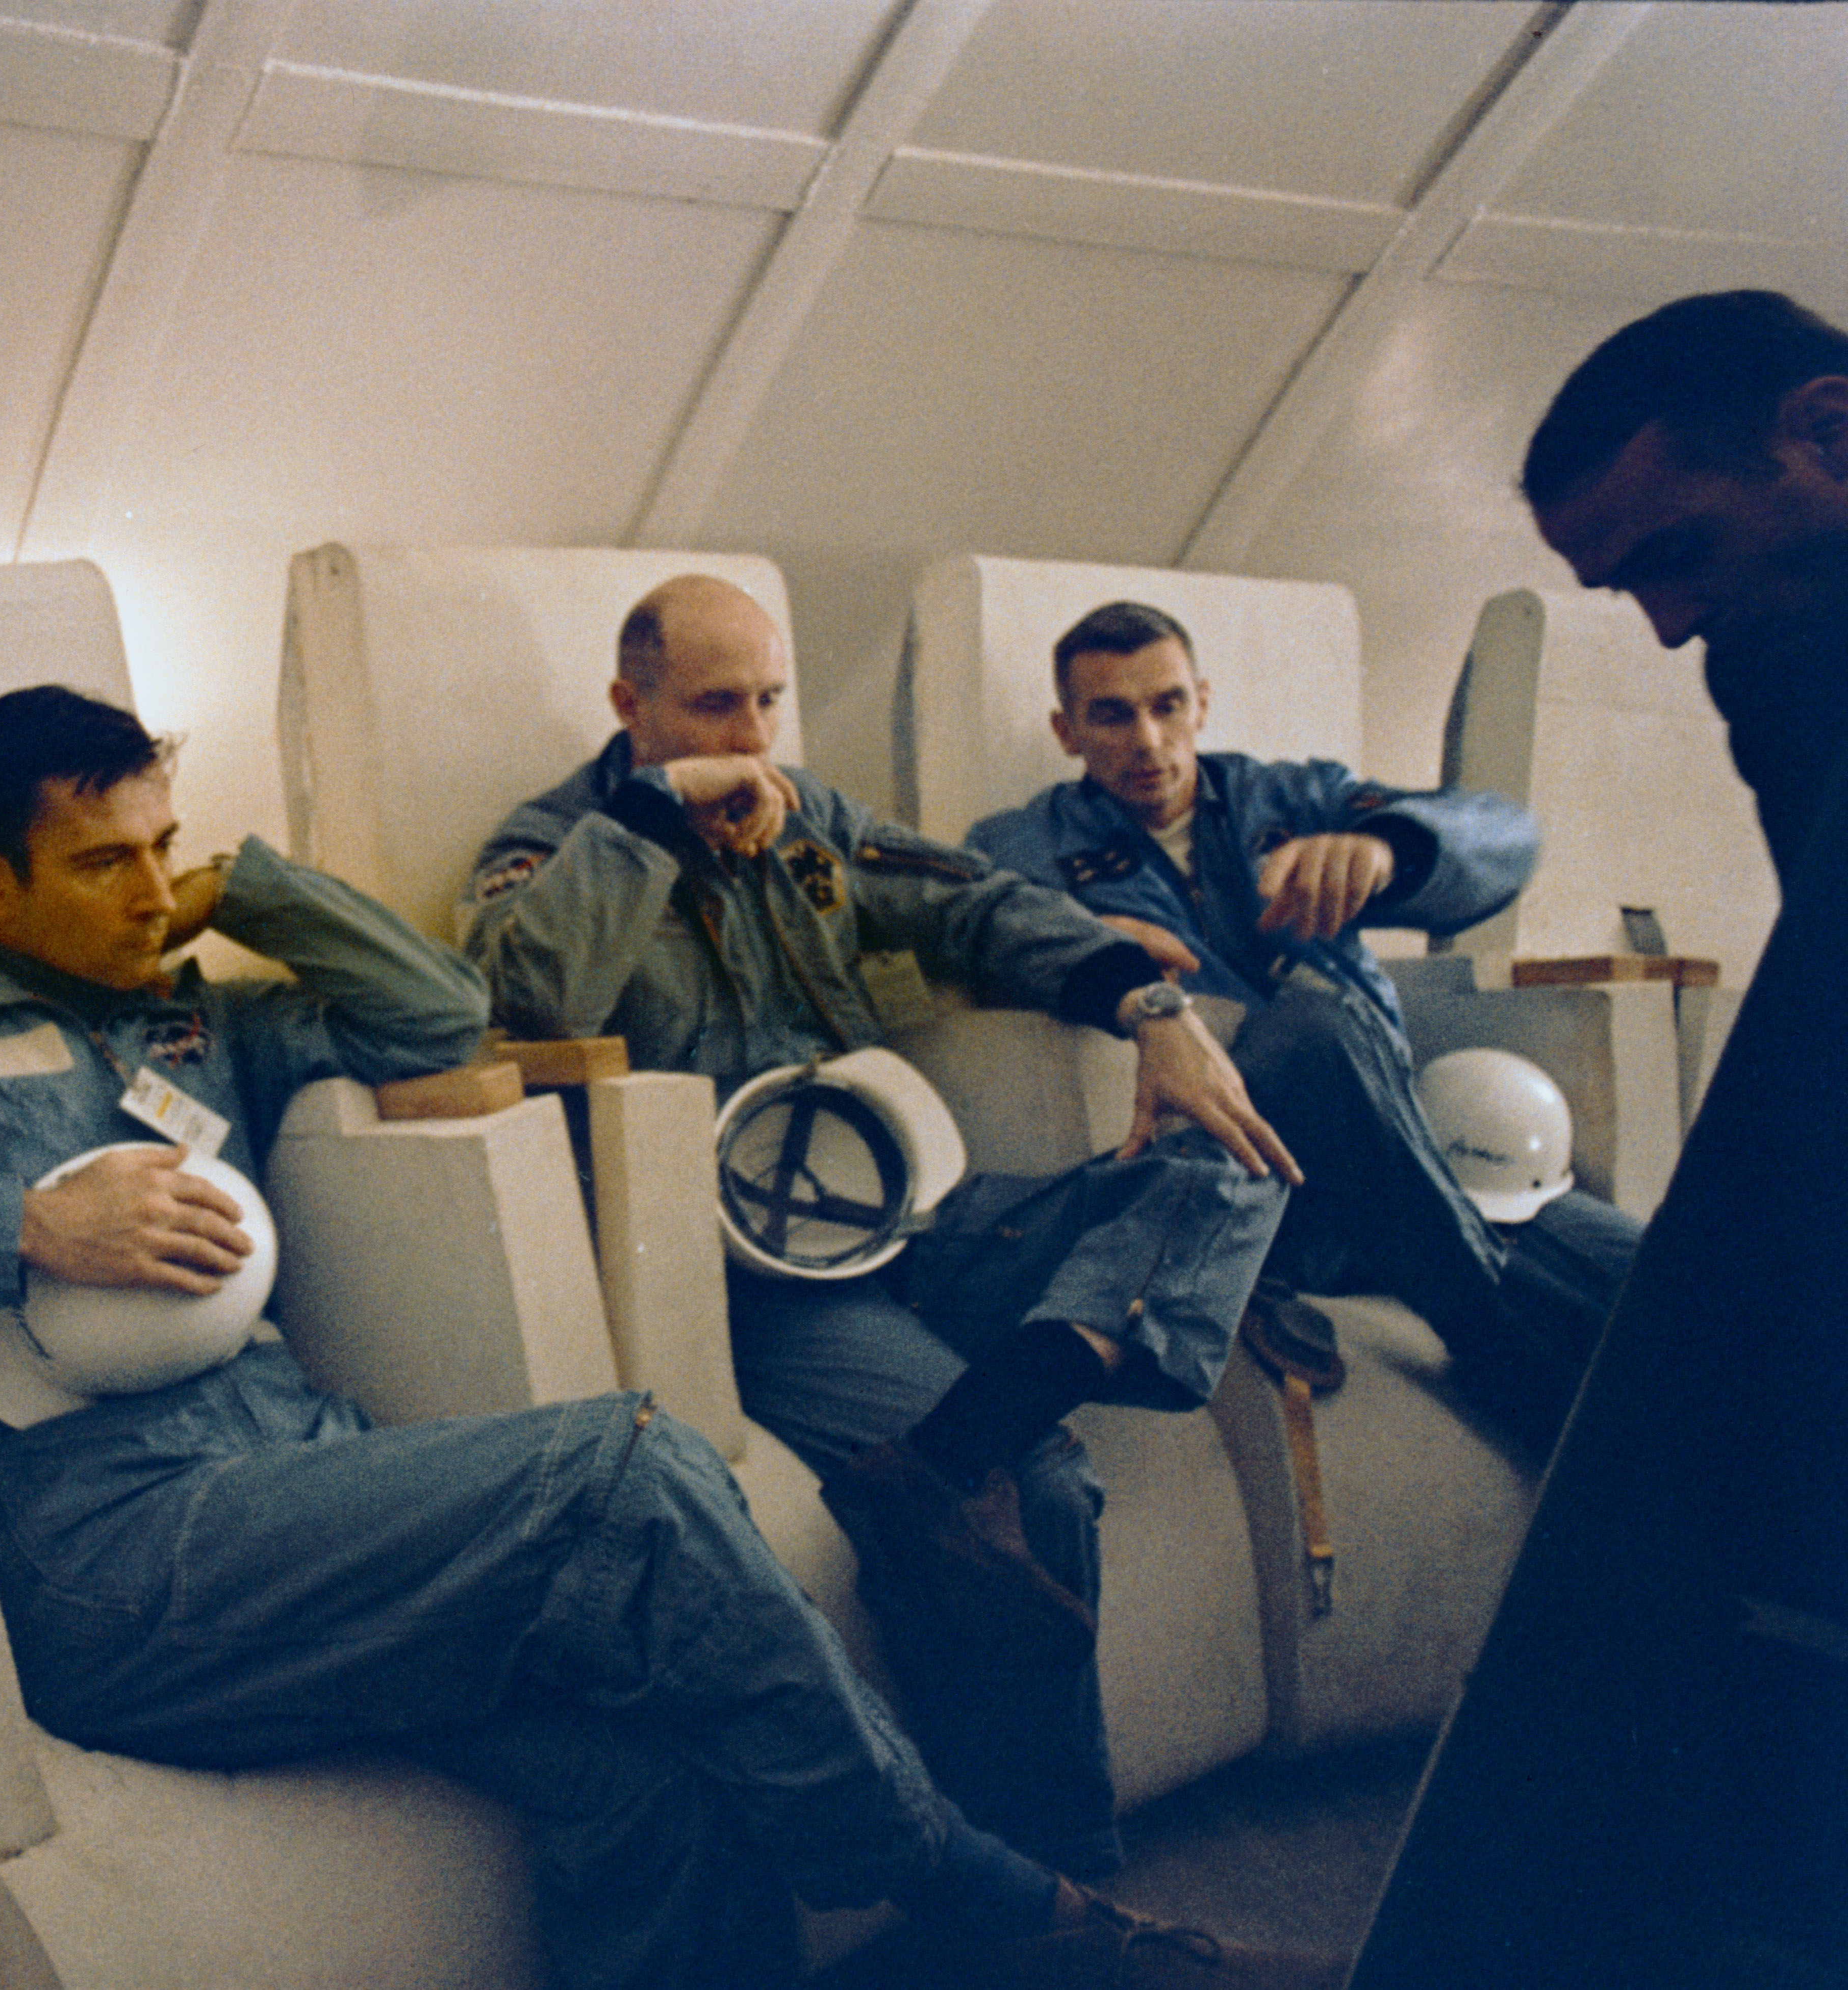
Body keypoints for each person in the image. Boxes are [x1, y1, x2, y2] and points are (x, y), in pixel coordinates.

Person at [0, 684, 1332, 1990]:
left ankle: (970, 1895)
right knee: (622, 1466)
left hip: (302, 1493)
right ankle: (981, 1893)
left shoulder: (204, 1024)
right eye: (102, 863)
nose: (148, 889)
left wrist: (259, 888)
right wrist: (12, 1220)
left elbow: (445, 1015)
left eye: (164, 844)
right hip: (113, 1562)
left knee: (644, 1787)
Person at [463, 577, 1294, 1880]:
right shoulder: (556, 842)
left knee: (1236, 1140)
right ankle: (1060, 1884)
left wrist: (1149, 1006)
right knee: (1041, 1481)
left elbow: (978, 904)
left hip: (925, 1208)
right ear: (629, 706)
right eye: (715, 705)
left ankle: (958, 1436)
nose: (750, 734)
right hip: (776, 1277)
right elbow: (525, 991)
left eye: (769, 700)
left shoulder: (814, 822)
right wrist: (650, 818)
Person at [1352, 290, 1848, 1985]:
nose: (1661, 624)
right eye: (1621, 585)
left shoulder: (1281, 802)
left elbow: (1489, 841)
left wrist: (1381, 852)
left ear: (1826, 435)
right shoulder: (1780, 657)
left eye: (1675, 553)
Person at [965, 600, 1644, 1453]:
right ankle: (1488, 1326)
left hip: (1396, 1163)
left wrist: (1392, 850)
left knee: (1654, 1270)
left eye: (1167, 704)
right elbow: (985, 927)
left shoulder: (1292, 797)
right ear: (1067, 731)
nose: (1147, 739)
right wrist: (1083, 945)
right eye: (1112, 713)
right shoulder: (1026, 845)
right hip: (1240, 1184)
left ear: (1202, 704)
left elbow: (1505, 834)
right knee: (1316, 1023)